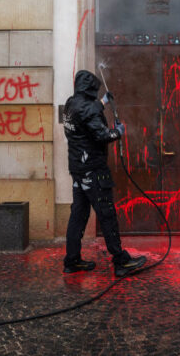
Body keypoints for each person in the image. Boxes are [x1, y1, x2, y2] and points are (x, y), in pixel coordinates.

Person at [62, 69, 147, 277]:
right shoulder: (89, 109)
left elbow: (85, 115)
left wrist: (102, 103)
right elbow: (101, 135)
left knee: (78, 216)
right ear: (91, 88)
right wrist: (117, 132)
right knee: (107, 215)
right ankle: (121, 262)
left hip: (78, 170)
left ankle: (72, 261)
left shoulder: (70, 104)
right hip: (94, 170)